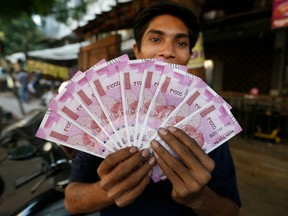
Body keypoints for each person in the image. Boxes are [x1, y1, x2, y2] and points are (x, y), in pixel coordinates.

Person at [64, 2, 241, 216]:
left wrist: (199, 198)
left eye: (181, 43)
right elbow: (72, 202)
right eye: (156, 39)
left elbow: (231, 210)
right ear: (137, 51)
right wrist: (107, 190)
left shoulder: (205, 120)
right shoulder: (106, 114)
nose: (167, 51)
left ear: (189, 56)